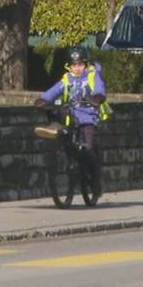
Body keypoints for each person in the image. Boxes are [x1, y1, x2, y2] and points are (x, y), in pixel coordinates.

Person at [35, 46, 108, 195]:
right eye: (74, 65)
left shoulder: (93, 76)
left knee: (87, 148)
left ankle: (95, 180)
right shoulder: (67, 78)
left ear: (86, 64)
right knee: (58, 113)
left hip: (88, 115)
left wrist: (96, 98)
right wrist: (43, 99)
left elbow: (100, 91)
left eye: (80, 64)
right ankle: (62, 141)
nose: (77, 68)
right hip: (72, 114)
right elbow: (55, 90)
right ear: (70, 66)